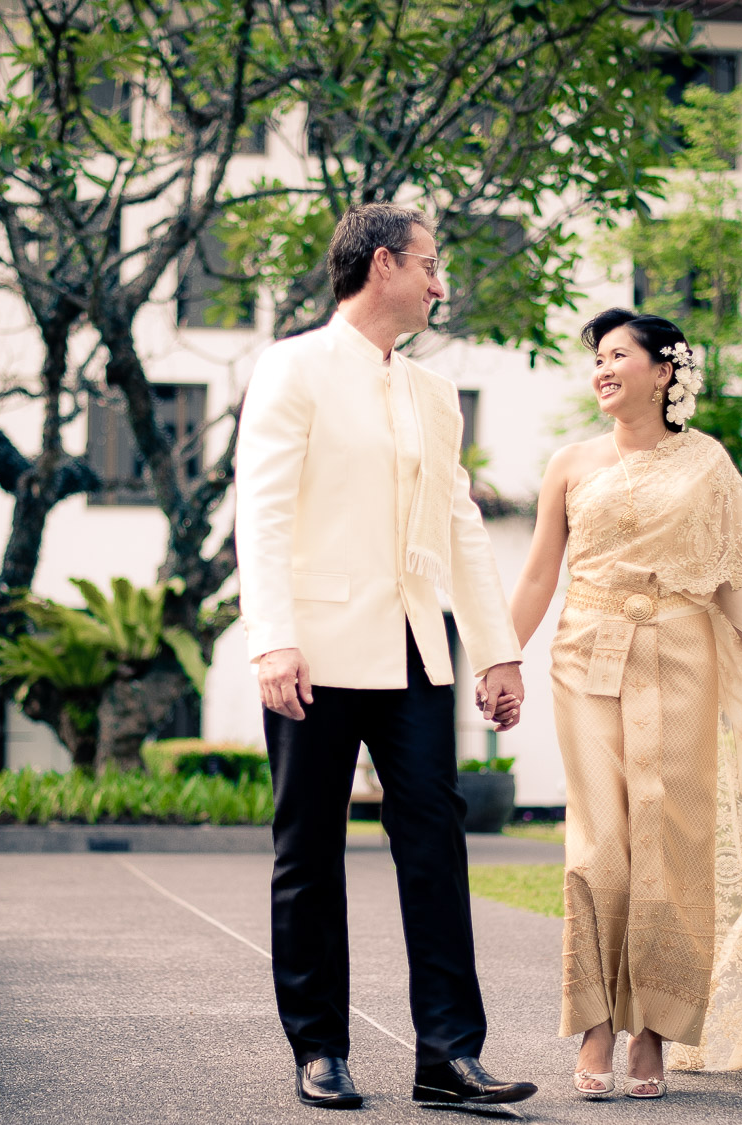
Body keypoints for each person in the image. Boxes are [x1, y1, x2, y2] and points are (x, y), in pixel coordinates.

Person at [235, 202, 538, 1111]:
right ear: (381, 265)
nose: (441, 284)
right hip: (314, 652)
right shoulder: (291, 367)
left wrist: (497, 651)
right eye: (430, 265)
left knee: (435, 847)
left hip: (415, 650)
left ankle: (448, 1054)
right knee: (308, 850)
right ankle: (319, 1048)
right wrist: (272, 638)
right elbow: (264, 512)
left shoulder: (434, 393)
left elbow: (460, 525)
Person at [507, 309, 742, 1100]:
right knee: (599, 843)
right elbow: (539, 573)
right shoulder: (569, 463)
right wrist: (499, 657)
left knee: (672, 840)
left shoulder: (708, 464)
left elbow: (736, 580)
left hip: (683, 654)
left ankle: (654, 1029)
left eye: (618, 354)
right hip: (587, 654)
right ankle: (595, 1023)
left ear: (664, 372)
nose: (602, 368)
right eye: (597, 357)